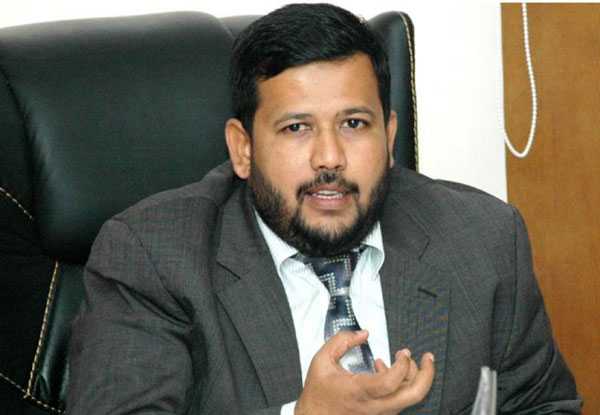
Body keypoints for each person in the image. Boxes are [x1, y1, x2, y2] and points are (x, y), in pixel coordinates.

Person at [67, 3, 581, 414]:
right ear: (243, 148)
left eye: (354, 124)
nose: (330, 157)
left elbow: (544, 407)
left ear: (390, 137)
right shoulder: (154, 258)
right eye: (297, 128)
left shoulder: (483, 239)